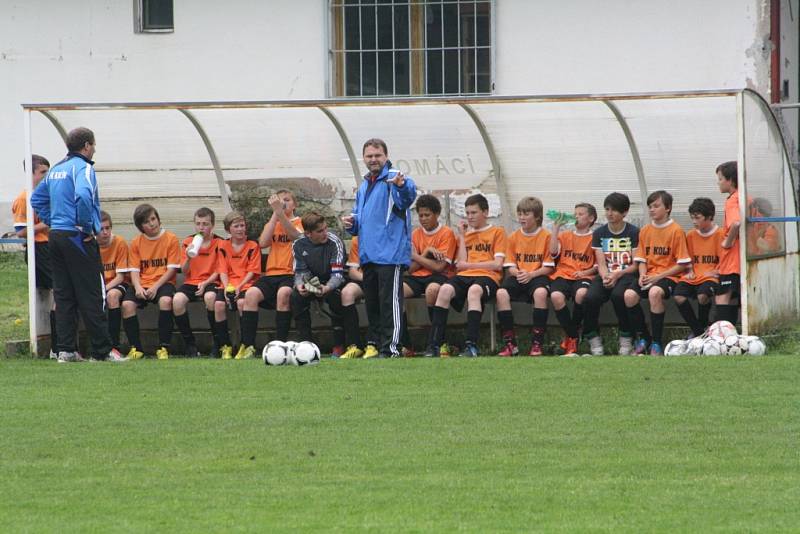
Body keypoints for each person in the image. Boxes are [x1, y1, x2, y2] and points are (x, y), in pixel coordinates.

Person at [29, 127, 127, 363]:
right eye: (93, 145)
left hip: (57, 237)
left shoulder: (56, 170)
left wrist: (54, 221)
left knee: (64, 294)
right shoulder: (82, 168)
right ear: (86, 146)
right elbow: (83, 196)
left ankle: (66, 350)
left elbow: (36, 199)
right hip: (77, 237)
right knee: (93, 292)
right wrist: (85, 226)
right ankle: (102, 351)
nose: (94, 149)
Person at [342, 139, 417, 358]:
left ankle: (391, 348)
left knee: (390, 304)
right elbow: (359, 219)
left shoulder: (394, 177)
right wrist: (351, 222)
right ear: (363, 158)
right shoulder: (364, 185)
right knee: (372, 303)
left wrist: (402, 186)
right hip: (368, 255)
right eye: (369, 156)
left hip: (390, 254)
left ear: (385, 156)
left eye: (377, 155)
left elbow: (406, 198)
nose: (373, 159)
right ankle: (375, 346)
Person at [426, 193, 507, 358]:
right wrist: (462, 237)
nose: (469, 217)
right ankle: (434, 345)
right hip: (465, 275)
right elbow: (461, 264)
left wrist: (469, 265)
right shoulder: (464, 236)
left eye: (474, 212)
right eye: (467, 213)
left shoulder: (497, 232)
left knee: (474, 291)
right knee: (444, 290)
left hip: (488, 277)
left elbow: (497, 264)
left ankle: (471, 345)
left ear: (485, 212)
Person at [237, 191, 303, 359]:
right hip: (271, 273)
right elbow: (263, 243)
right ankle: (248, 345)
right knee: (250, 295)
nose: (283, 203)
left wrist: (281, 214)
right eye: (279, 201)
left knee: (284, 294)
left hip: (290, 273)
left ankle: (279, 345)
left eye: (287, 200)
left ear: (294, 204)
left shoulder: (299, 222)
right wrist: (275, 214)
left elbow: (296, 237)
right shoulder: (273, 222)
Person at [627, 191, 691, 355]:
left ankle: (656, 342)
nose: (652, 210)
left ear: (668, 208)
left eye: (656, 206)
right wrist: (642, 274)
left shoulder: (676, 231)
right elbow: (641, 259)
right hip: (649, 275)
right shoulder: (645, 230)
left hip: (669, 276)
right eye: (650, 206)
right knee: (629, 296)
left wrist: (658, 277)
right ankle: (644, 338)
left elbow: (682, 265)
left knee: (654, 293)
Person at [582, 192, 640, 356]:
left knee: (618, 296)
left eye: (614, 210)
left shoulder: (633, 232)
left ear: (624, 213)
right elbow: (601, 263)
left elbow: (635, 264)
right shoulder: (599, 233)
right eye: (607, 209)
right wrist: (607, 276)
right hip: (606, 274)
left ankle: (626, 338)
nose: (609, 213)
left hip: (626, 274)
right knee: (590, 298)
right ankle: (593, 339)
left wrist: (617, 275)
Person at [12, 154, 58, 358]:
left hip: (50, 246)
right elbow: (21, 231)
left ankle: (59, 345)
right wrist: (48, 222)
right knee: (59, 291)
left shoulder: (47, 194)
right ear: (31, 173)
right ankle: (57, 348)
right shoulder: (24, 198)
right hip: (39, 249)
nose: (47, 176)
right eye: (43, 172)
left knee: (59, 293)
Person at [496, 197, 554, 357]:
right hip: (520, 275)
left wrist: (531, 274)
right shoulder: (513, 237)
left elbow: (548, 268)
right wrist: (519, 273)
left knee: (540, 293)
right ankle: (510, 344)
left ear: (537, 216)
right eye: (519, 213)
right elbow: (510, 265)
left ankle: (537, 343)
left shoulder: (547, 236)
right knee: (501, 293)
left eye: (526, 213)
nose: (521, 217)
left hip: (538, 275)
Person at [122, 203, 181, 359]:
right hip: (142, 283)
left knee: (166, 301)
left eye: (153, 219)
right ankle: (136, 349)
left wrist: (155, 287)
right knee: (127, 305)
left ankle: (163, 347)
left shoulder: (171, 239)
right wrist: (138, 287)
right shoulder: (136, 242)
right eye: (147, 222)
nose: (152, 223)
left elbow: (171, 270)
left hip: (163, 283)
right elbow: (134, 270)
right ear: (141, 226)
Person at [401, 194, 457, 356]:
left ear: (437, 214)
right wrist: (426, 252)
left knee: (433, 291)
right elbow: (410, 269)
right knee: (396, 293)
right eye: (420, 215)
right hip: (417, 276)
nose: (423, 219)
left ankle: (439, 343)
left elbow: (439, 267)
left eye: (427, 215)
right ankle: (406, 345)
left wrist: (418, 256)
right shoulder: (415, 235)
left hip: (439, 276)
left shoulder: (447, 233)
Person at [548, 202, 598, 357]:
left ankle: (570, 338)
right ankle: (573, 335)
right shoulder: (565, 235)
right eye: (575, 213)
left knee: (581, 294)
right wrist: (556, 229)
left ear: (591, 218)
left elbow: (598, 265)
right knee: (556, 296)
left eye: (581, 214)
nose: (576, 217)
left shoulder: (595, 237)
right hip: (563, 274)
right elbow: (553, 252)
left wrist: (585, 273)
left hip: (584, 275)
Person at [290, 211, 346, 345]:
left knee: (336, 296)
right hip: (312, 281)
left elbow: (338, 274)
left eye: (326, 228)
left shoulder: (335, 241)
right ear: (308, 234)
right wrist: (301, 285)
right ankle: (306, 343)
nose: (325, 233)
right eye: (320, 231)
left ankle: (339, 345)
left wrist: (327, 287)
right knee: (296, 296)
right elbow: (300, 271)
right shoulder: (298, 244)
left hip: (331, 281)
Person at [172, 207, 222, 358]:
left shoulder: (219, 242)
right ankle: (190, 344)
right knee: (177, 300)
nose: (201, 227)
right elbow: (184, 270)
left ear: (212, 225)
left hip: (212, 281)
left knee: (210, 298)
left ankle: (217, 343)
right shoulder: (188, 241)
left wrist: (206, 283)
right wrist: (188, 257)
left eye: (205, 224)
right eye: (198, 224)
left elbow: (220, 270)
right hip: (192, 281)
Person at [674, 197, 724, 337]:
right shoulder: (690, 235)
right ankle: (698, 332)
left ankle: (702, 326)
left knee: (703, 295)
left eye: (698, 218)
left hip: (710, 277)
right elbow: (686, 257)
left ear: (709, 217)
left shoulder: (720, 234)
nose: (694, 222)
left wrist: (717, 271)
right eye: (692, 218)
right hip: (694, 276)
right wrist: (689, 270)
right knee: (678, 296)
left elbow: (725, 259)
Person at [216, 211, 262, 359]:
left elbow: (252, 271)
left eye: (242, 225)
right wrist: (225, 287)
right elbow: (222, 269)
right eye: (236, 226)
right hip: (228, 284)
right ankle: (225, 346)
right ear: (228, 229)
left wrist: (239, 287)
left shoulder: (252, 245)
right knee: (218, 305)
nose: (241, 229)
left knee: (242, 302)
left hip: (246, 284)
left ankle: (246, 345)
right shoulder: (223, 245)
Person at [97, 211, 131, 352]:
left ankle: (114, 345)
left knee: (112, 296)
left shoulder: (119, 242)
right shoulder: (90, 244)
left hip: (116, 283)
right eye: (101, 229)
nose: (105, 232)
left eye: (108, 228)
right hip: (97, 284)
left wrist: (103, 289)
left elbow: (120, 277)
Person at [715, 161, 741, 325]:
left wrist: (727, 242)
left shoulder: (732, 200)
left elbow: (736, 223)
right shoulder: (746, 197)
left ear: (730, 180)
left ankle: (722, 336)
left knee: (722, 296)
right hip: (740, 260)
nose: (718, 182)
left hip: (731, 260)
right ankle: (732, 334)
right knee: (733, 296)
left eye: (720, 178)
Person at [338, 236, 368, 359]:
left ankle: (374, 343)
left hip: (382, 279)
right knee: (347, 293)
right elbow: (352, 271)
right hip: (365, 279)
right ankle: (355, 345)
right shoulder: (358, 239)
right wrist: (367, 279)